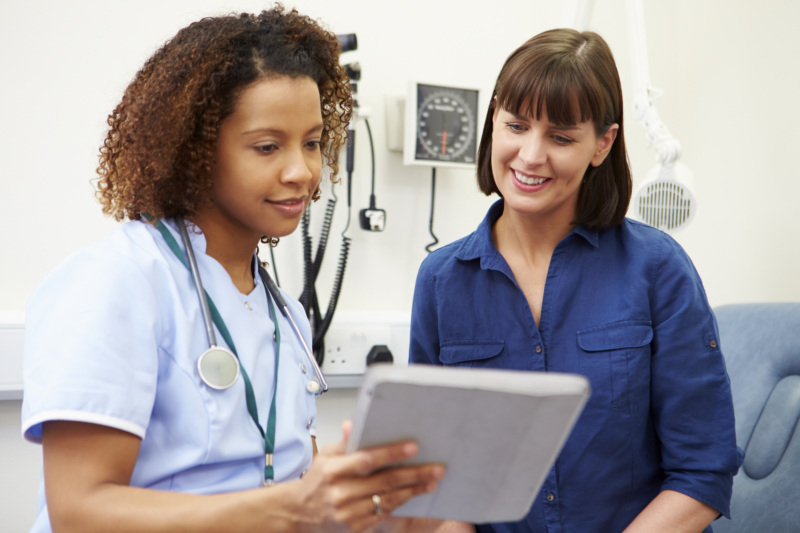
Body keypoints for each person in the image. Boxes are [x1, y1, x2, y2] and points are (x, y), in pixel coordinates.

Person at [21, 7, 446, 533]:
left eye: (312, 142)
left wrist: (380, 509)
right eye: (267, 147)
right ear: (194, 149)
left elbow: (286, 484)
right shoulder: (114, 283)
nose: (302, 172)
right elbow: (80, 512)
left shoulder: (282, 311)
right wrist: (292, 507)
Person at [409, 28, 743, 533]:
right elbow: (439, 481)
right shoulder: (441, 282)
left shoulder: (657, 269)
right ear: (494, 120)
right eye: (516, 126)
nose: (530, 155)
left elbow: (703, 472)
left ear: (602, 144)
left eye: (561, 137)